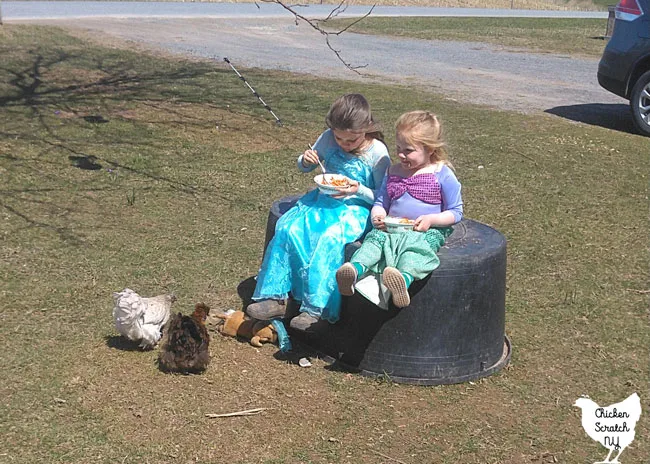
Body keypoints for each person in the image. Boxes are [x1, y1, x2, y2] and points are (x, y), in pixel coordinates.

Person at [246, 94, 391, 331]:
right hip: (321, 202)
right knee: (287, 228)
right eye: (339, 137)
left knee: (329, 240)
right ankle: (276, 296)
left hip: (355, 209)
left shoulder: (378, 153)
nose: (344, 144)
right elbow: (304, 165)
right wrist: (306, 159)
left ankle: (316, 309)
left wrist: (358, 190)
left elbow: (383, 196)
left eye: (351, 140)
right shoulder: (328, 139)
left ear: (366, 129)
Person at [336, 110, 463, 308]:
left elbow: (456, 212)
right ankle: (354, 270)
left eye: (409, 151)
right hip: (391, 228)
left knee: (416, 250)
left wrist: (431, 220)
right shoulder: (393, 172)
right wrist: (378, 214)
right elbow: (381, 202)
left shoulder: (441, 174)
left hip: (424, 231)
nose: (401, 155)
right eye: (398, 148)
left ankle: (402, 280)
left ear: (429, 149)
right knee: (373, 243)